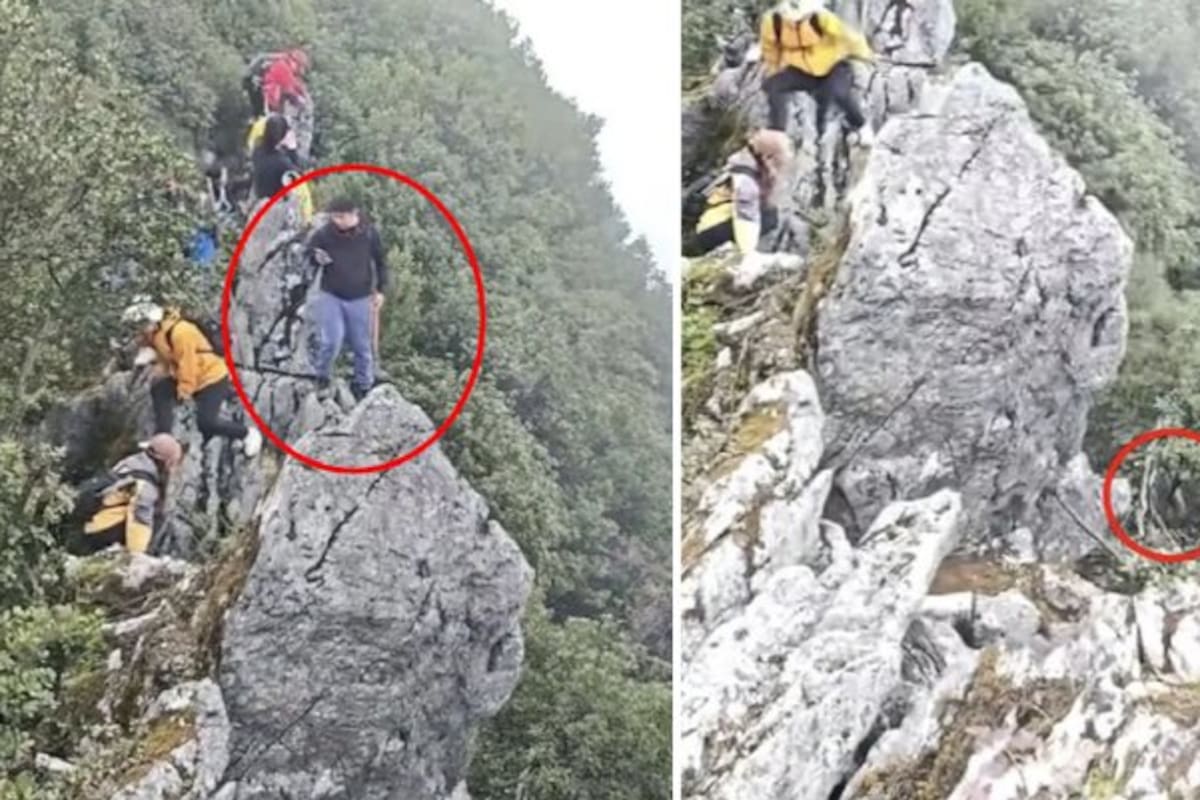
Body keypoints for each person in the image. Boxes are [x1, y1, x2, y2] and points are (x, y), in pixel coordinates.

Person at [122, 299, 263, 457]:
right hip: (191, 377)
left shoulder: (181, 332)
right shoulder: (157, 335)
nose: (138, 332)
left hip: (212, 379)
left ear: (151, 322)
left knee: (207, 423)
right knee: (159, 389)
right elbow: (170, 359)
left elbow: (188, 365)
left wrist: (184, 392)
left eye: (139, 326)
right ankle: (163, 438)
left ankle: (246, 434)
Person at [304, 197, 390, 401]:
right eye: (334, 217)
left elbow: (380, 262)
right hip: (330, 294)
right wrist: (316, 256)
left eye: (341, 217)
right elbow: (309, 251)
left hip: (360, 297)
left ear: (354, 214)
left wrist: (380, 291)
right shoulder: (325, 233)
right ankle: (322, 376)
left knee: (362, 345)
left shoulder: (369, 234)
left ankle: (363, 385)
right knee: (331, 341)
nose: (337, 221)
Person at [758, 0, 876, 144]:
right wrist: (773, 69)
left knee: (839, 93)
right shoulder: (773, 21)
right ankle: (777, 132)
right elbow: (770, 48)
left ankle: (861, 125)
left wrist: (866, 57)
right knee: (773, 85)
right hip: (801, 71)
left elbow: (849, 37)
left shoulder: (821, 18)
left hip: (832, 67)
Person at [683, 129, 794, 259]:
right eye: (781, 157)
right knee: (768, 217)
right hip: (704, 236)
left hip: (703, 224)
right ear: (768, 157)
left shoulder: (743, 161)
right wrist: (748, 255)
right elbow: (745, 217)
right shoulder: (746, 181)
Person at [73, 434, 182, 555]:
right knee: (149, 518)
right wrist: (137, 557)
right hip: (99, 534)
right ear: (166, 463)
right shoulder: (145, 486)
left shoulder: (130, 463)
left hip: (88, 524)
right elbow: (140, 521)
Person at [251, 115, 301, 200]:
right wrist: (292, 150)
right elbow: (296, 178)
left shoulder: (257, 151)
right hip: (276, 206)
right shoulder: (282, 163)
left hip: (260, 201)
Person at [261, 48, 309, 115]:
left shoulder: (288, 69)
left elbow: (295, 84)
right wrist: (300, 101)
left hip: (276, 101)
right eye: (300, 66)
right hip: (271, 100)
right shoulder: (283, 67)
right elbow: (288, 89)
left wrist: (303, 94)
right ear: (295, 62)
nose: (299, 70)